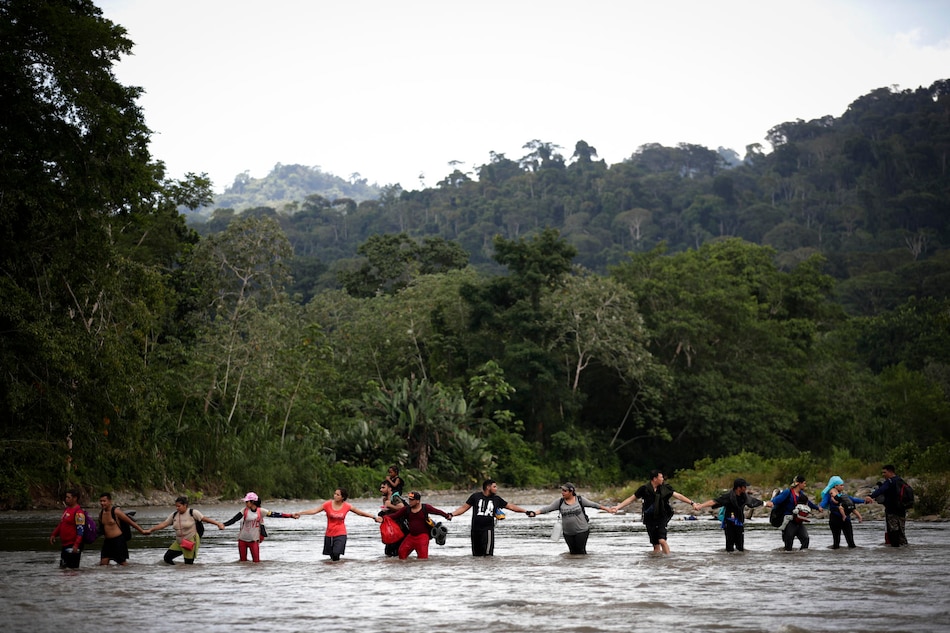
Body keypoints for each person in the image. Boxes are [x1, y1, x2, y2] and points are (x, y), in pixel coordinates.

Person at [610, 471, 697, 554]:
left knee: (662, 540)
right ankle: (656, 563)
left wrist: (692, 503)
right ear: (655, 479)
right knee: (655, 545)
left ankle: (668, 560)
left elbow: (678, 496)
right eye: (661, 477)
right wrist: (618, 507)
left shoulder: (665, 488)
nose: (663, 479)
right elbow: (631, 499)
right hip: (649, 518)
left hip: (662, 516)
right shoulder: (644, 489)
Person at [450, 478, 532, 556]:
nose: (496, 489)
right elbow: (463, 508)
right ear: (488, 487)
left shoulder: (497, 499)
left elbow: (511, 507)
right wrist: (451, 514)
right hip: (475, 530)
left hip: (487, 530)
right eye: (494, 487)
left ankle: (489, 570)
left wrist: (526, 511)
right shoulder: (475, 497)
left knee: (488, 555)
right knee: (476, 556)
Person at [296, 487, 382, 561]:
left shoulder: (347, 506)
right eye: (335, 494)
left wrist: (374, 517)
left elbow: (360, 513)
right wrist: (300, 513)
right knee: (332, 557)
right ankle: (334, 575)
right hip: (329, 534)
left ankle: (339, 572)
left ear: (342, 497)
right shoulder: (327, 504)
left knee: (336, 553)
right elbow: (314, 511)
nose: (335, 496)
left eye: (338, 495)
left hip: (341, 533)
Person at [530, 482, 613, 555]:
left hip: (582, 531)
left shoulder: (580, 500)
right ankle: (572, 570)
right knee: (572, 553)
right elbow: (547, 509)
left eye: (565, 491)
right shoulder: (560, 502)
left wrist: (607, 509)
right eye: (562, 490)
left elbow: (594, 505)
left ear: (571, 491)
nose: (562, 493)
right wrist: (534, 513)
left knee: (581, 552)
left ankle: (584, 569)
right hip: (568, 533)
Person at [695, 478, 772, 552]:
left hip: (739, 523)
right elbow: (714, 501)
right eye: (744, 486)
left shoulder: (744, 497)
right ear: (739, 488)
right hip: (729, 524)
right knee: (729, 548)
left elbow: (754, 501)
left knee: (740, 548)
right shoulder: (728, 496)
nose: (746, 488)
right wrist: (701, 506)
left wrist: (765, 504)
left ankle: (738, 562)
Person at [144, 495, 225, 564]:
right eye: (176, 506)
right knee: (167, 558)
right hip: (179, 542)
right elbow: (164, 524)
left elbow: (205, 519)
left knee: (188, 565)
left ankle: (186, 579)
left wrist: (218, 524)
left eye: (179, 506)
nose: (177, 508)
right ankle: (176, 570)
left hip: (190, 541)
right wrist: (151, 530)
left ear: (185, 505)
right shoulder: (174, 515)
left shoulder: (193, 512)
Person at [222, 492, 297, 562]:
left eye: (247, 501)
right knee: (242, 562)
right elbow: (234, 519)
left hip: (253, 541)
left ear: (252, 502)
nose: (245, 503)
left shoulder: (261, 511)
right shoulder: (244, 510)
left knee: (256, 562)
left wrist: (290, 515)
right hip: (242, 540)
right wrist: (224, 524)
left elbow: (276, 514)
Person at [384, 490, 452, 559]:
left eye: (412, 500)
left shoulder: (425, 508)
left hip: (423, 537)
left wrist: (447, 516)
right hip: (411, 536)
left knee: (422, 559)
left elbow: (437, 511)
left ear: (417, 501)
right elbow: (395, 515)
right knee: (401, 553)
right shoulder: (406, 509)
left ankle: (420, 569)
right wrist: (383, 518)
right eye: (409, 500)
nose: (410, 501)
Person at [771, 475, 821, 551]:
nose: (805, 485)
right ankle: (788, 559)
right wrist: (770, 503)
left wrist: (817, 508)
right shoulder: (788, 492)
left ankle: (800, 557)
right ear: (798, 483)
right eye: (804, 483)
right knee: (789, 542)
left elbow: (808, 503)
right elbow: (777, 500)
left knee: (805, 539)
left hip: (798, 520)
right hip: (788, 520)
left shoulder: (801, 494)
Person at [97, 492, 147, 565]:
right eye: (101, 501)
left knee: (122, 563)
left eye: (104, 501)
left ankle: (127, 575)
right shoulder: (101, 513)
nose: (102, 503)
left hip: (118, 541)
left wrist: (142, 531)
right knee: (103, 563)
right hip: (107, 542)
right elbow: (101, 528)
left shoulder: (116, 511)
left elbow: (130, 522)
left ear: (110, 501)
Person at [865, 464, 908, 547]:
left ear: (890, 472)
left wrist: (870, 496)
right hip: (902, 510)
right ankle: (904, 549)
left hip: (891, 510)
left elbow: (881, 490)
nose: (883, 474)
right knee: (901, 531)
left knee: (893, 530)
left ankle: (895, 549)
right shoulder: (900, 481)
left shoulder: (890, 481)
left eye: (884, 472)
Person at [819, 476, 864, 549]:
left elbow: (853, 500)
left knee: (851, 543)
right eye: (841, 485)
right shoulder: (829, 495)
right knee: (836, 543)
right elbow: (824, 502)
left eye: (843, 485)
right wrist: (821, 506)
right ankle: (837, 558)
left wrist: (864, 501)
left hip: (846, 519)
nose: (843, 487)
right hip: (835, 519)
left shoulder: (844, 495)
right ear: (835, 486)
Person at [50, 489, 89, 569]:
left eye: (68, 497)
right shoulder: (67, 509)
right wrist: (54, 534)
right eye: (66, 497)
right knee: (63, 569)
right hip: (65, 544)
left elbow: (80, 530)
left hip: (73, 545)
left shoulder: (79, 513)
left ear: (75, 498)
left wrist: (76, 545)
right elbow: (62, 524)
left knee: (72, 571)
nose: (66, 499)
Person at [378, 479, 406, 557]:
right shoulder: (386, 499)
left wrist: (389, 505)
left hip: (399, 529)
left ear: (390, 488)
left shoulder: (395, 497)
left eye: (383, 487)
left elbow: (402, 508)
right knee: (388, 553)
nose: (381, 490)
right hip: (391, 530)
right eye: (381, 488)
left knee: (395, 553)